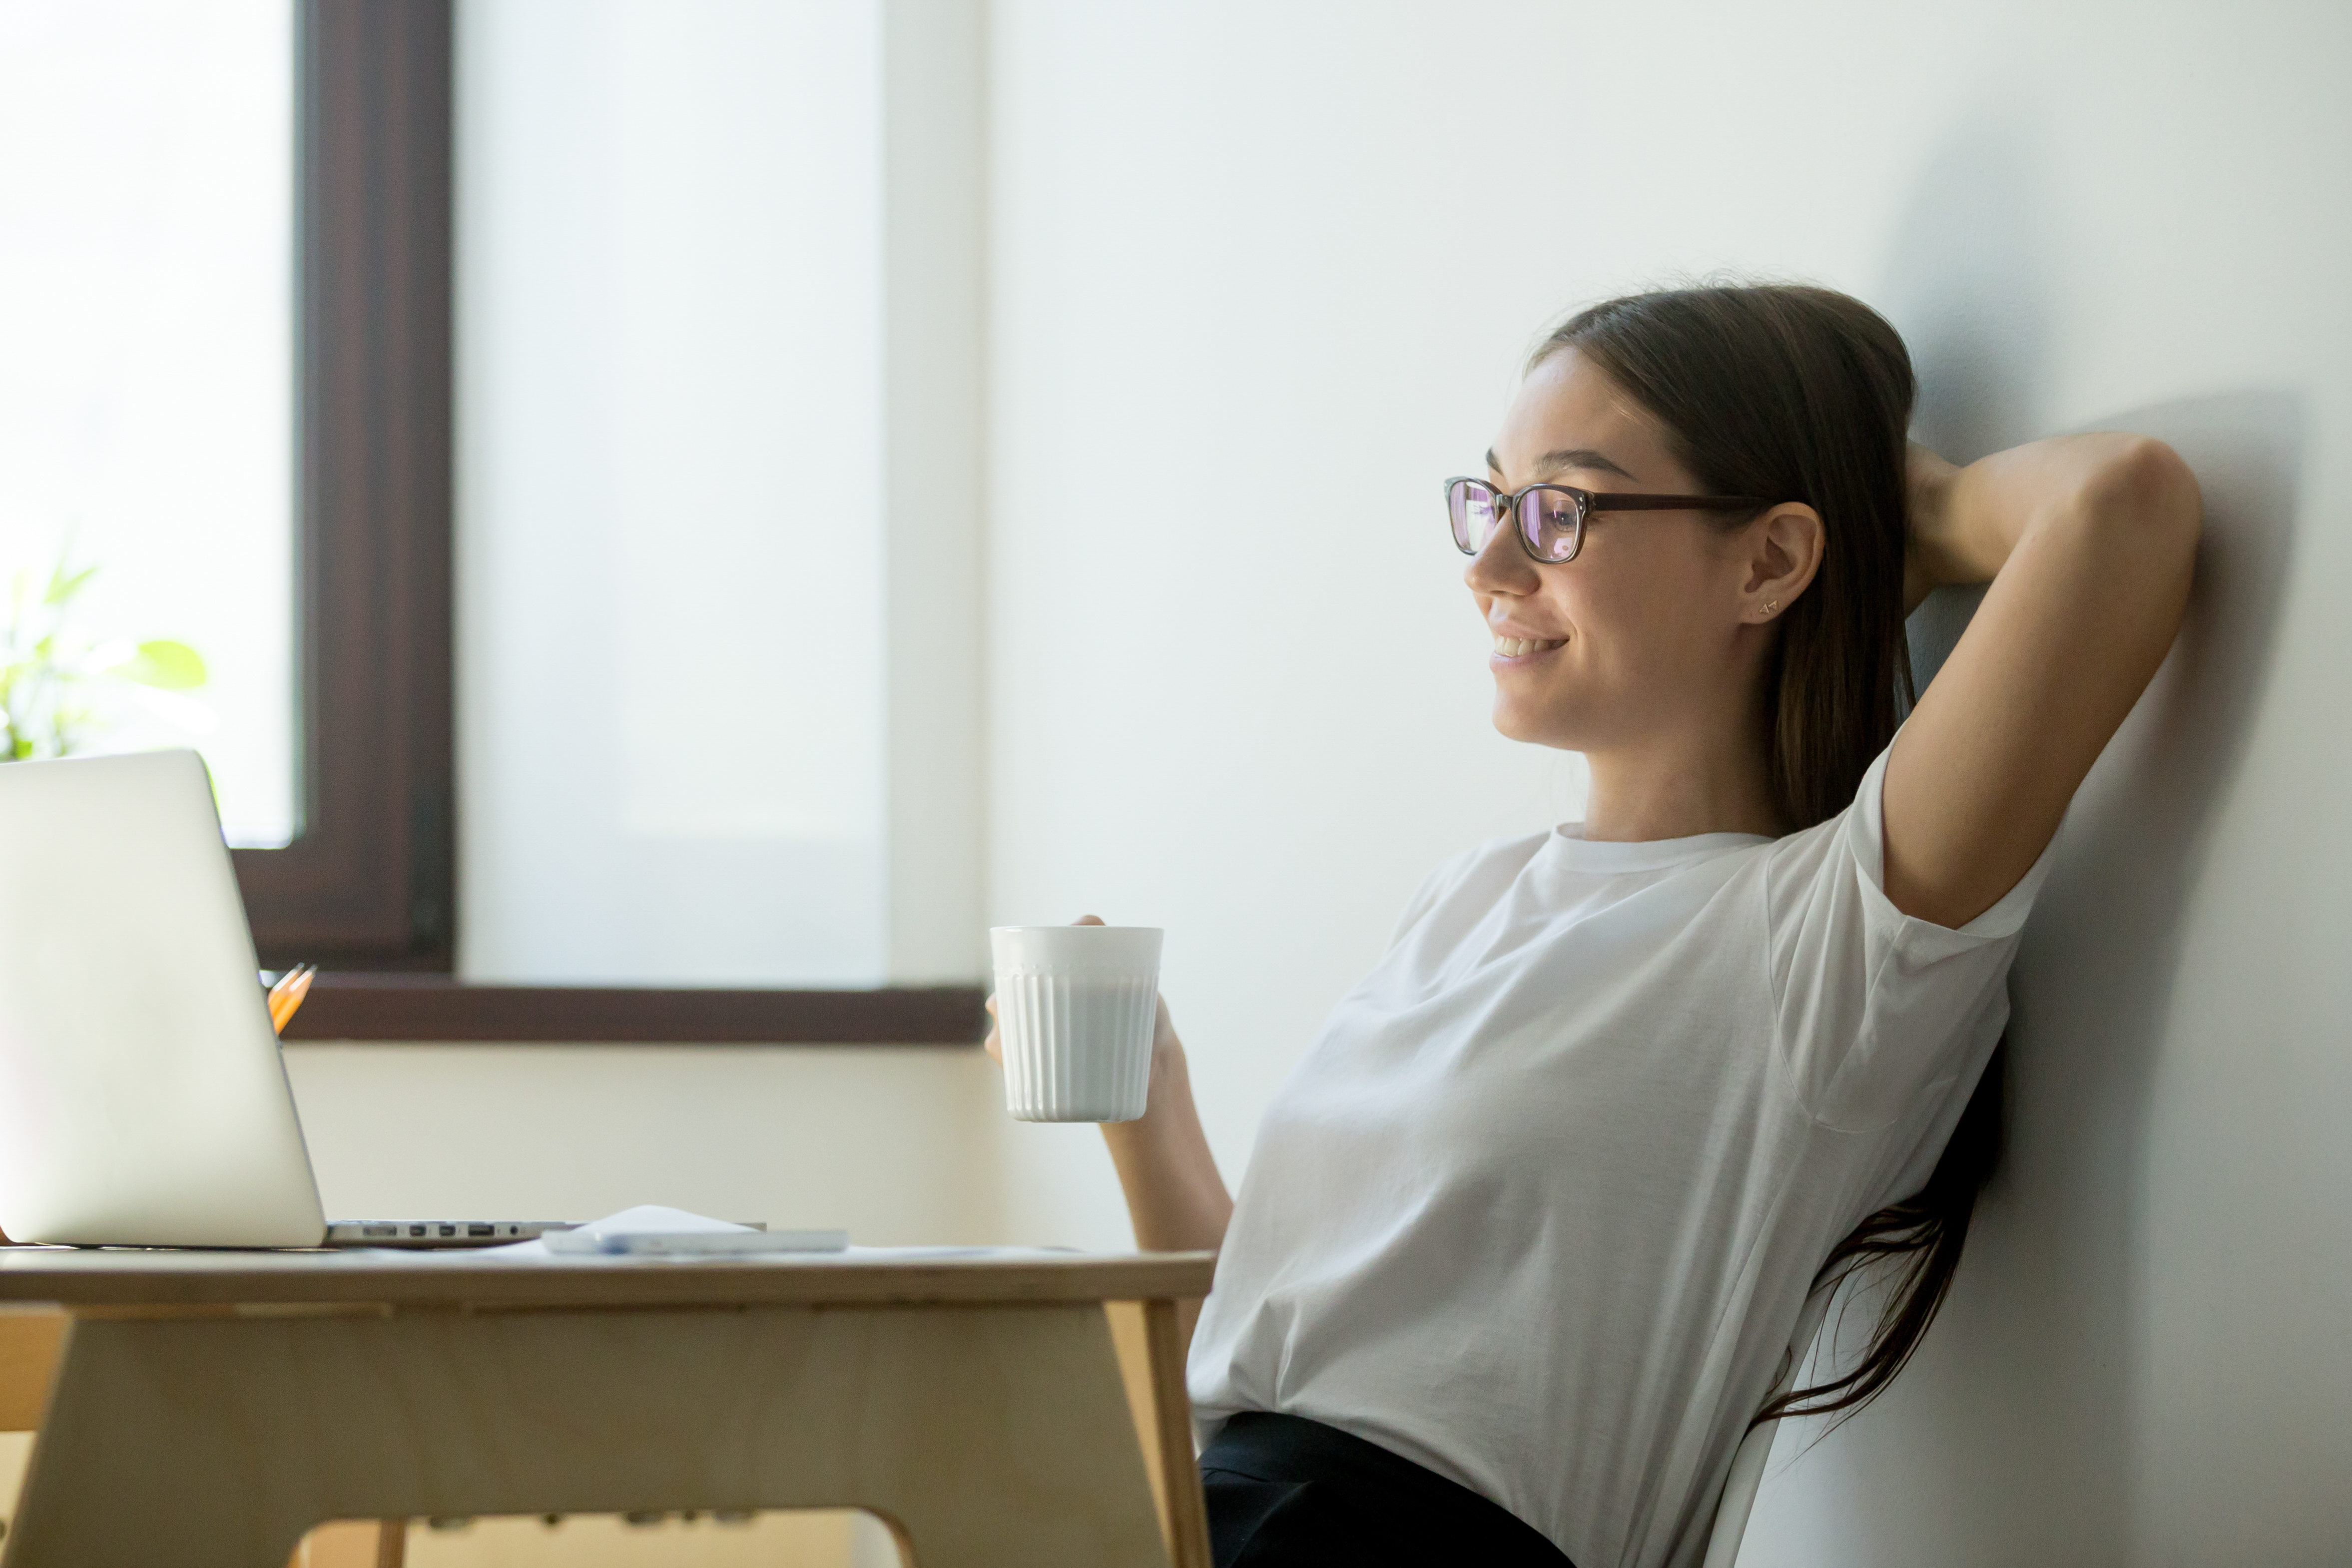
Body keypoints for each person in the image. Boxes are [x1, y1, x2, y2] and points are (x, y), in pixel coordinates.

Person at [984, 284, 2201, 1568]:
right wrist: (1148, 1105)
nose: (1489, 567)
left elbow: (2117, 506)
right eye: (1491, 500)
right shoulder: (1467, 895)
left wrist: (1891, 511)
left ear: (1771, 560)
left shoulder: (1824, 941)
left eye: (1560, 510)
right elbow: (1259, 1377)